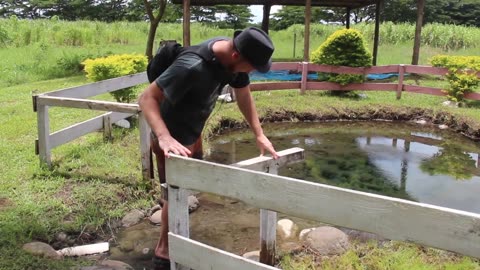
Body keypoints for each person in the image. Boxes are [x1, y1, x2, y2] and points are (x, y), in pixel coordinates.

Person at [138, 26, 279, 270]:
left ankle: (177, 225)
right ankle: (164, 253)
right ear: (236, 56)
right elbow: (146, 98)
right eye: (252, 67)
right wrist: (163, 137)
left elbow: (243, 95)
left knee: (187, 184)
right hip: (171, 132)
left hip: (194, 126)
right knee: (174, 190)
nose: (252, 72)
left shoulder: (233, 58)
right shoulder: (192, 66)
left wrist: (259, 134)